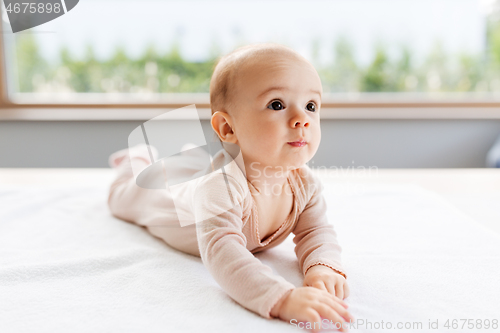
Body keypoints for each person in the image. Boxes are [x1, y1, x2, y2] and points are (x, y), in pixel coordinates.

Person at [107, 42, 354, 333]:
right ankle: (137, 156)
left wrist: (322, 265)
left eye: (311, 106)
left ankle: (187, 157)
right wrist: (281, 296)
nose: (302, 119)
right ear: (228, 128)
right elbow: (223, 252)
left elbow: (316, 231)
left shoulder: (304, 183)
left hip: (201, 176)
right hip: (167, 201)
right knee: (127, 195)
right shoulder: (222, 187)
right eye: (277, 104)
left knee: (190, 165)